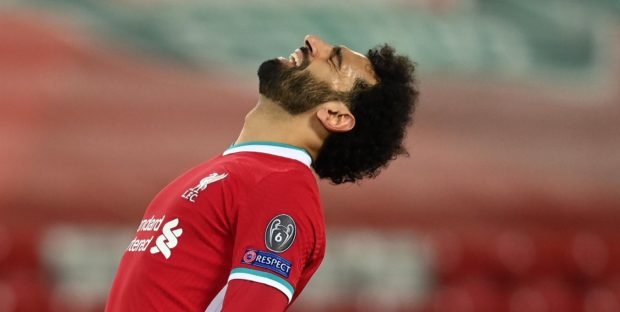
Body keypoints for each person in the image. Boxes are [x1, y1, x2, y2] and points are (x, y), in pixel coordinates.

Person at [105, 34, 419, 311]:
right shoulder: (234, 173)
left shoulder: (281, 189)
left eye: (333, 61)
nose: (313, 41)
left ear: (335, 115)